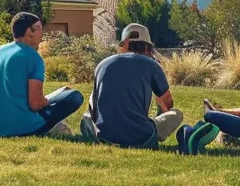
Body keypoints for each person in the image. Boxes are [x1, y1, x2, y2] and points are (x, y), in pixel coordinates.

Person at [81, 24, 217, 153]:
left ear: (124, 45)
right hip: (142, 138)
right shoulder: (151, 65)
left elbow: (94, 107)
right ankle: (185, 135)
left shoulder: (102, 65)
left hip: (104, 137)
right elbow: (167, 104)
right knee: (176, 114)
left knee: (86, 117)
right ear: (147, 48)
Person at [0, 12, 83, 138]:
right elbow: (35, 104)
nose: (42, 34)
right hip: (25, 127)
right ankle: (45, 128)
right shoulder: (33, 58)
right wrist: (47, 102)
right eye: (39, 28)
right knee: (74, 97)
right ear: (30, 31)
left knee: (60, 93)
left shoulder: (0, 51)